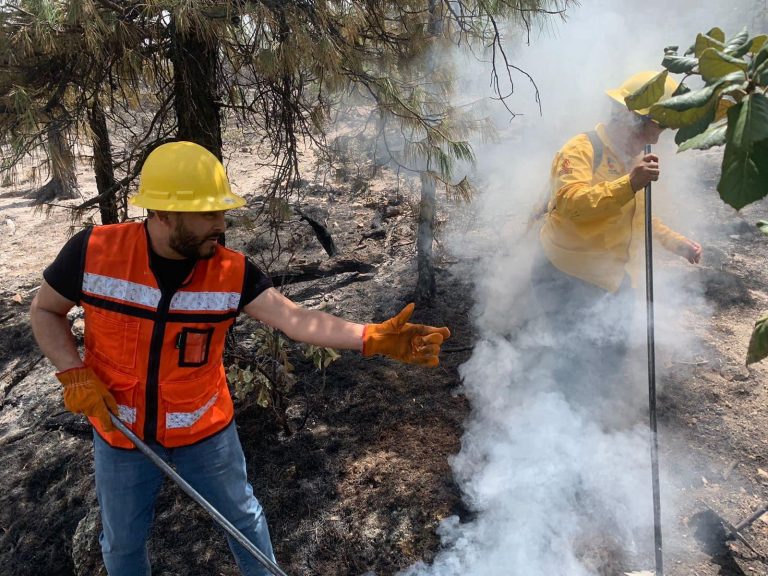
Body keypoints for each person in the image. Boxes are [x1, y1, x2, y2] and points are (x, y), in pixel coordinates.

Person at [29, 141, 451, 576]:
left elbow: (296, 320)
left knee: (245, 523)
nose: (221, 223)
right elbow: (44, 310)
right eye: (208, 213)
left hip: (205, 431)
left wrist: (371, 337)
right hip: (121, 431)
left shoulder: (231, 272)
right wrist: (74, 374)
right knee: (122, 544)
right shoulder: (94, 252)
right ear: (164, 212)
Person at [531, 70, 702, 414]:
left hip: (611, 279)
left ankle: (594, 422)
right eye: (656, 129)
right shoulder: (581, 150)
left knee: (609, 360)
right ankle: (562, 424)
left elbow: (637, 215)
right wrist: (629, 184)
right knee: (572, 365)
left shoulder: (630, 160)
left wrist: (677, 243)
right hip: (566, 278)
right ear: (632, 119)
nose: (656, 139)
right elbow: (570, 203)